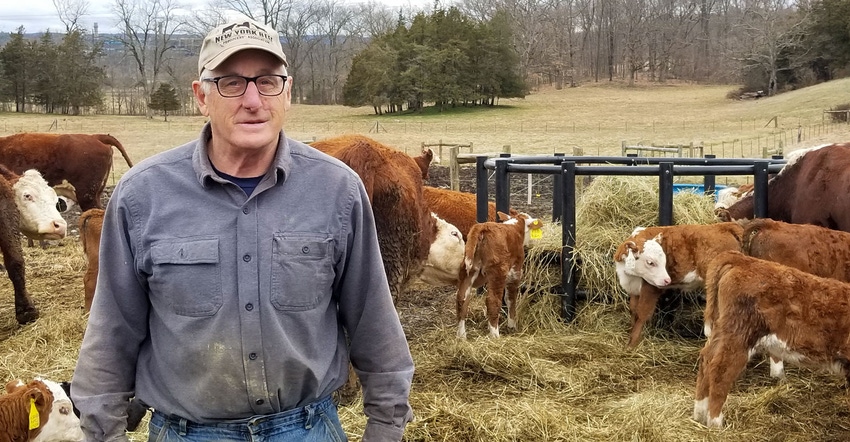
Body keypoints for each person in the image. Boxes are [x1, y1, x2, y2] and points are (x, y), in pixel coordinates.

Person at [71, 18, 415, 442]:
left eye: (268, 81)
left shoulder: (337, 190)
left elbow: (373, 320)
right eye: (231, 82)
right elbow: (112, 331)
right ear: (201, 96)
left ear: (287, 93)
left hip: (308, 429)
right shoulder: (142, 196)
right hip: (187, 432)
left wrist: (386, 425)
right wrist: (104, 432)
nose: (253, 99)